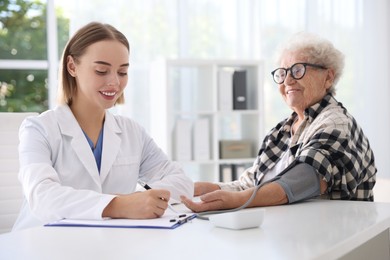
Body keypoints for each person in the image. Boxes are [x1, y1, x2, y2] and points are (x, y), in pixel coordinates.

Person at [13, 22, 193, 231]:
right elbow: (42, 196)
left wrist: (142, 200)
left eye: (122, 72)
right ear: (72, 66)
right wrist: (120, 205)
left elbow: (182, 182)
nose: (114, 82)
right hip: (42, 243)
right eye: (101, 71)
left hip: (107, 243)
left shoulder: (132, 132)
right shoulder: (38, 129)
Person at [181, 32, 377, 212]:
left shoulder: (336, 122)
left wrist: (238, 200)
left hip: (334, 241)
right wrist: (204, 189)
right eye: (282, 73)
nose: (287, 81)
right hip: (288, 238)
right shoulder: (280, 132)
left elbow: (303, 179)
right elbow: (250, 185)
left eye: (298, 70)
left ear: (328, 77)